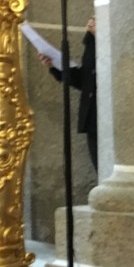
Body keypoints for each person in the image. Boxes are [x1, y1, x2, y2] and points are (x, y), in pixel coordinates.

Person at [40, 16, 97, 172]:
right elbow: (86, 81)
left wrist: (103, 38)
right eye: (91, 18)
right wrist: (55, 66)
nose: (90, 23)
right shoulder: (92, 42)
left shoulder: (107, 40)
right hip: (93, 118)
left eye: (95, 20)